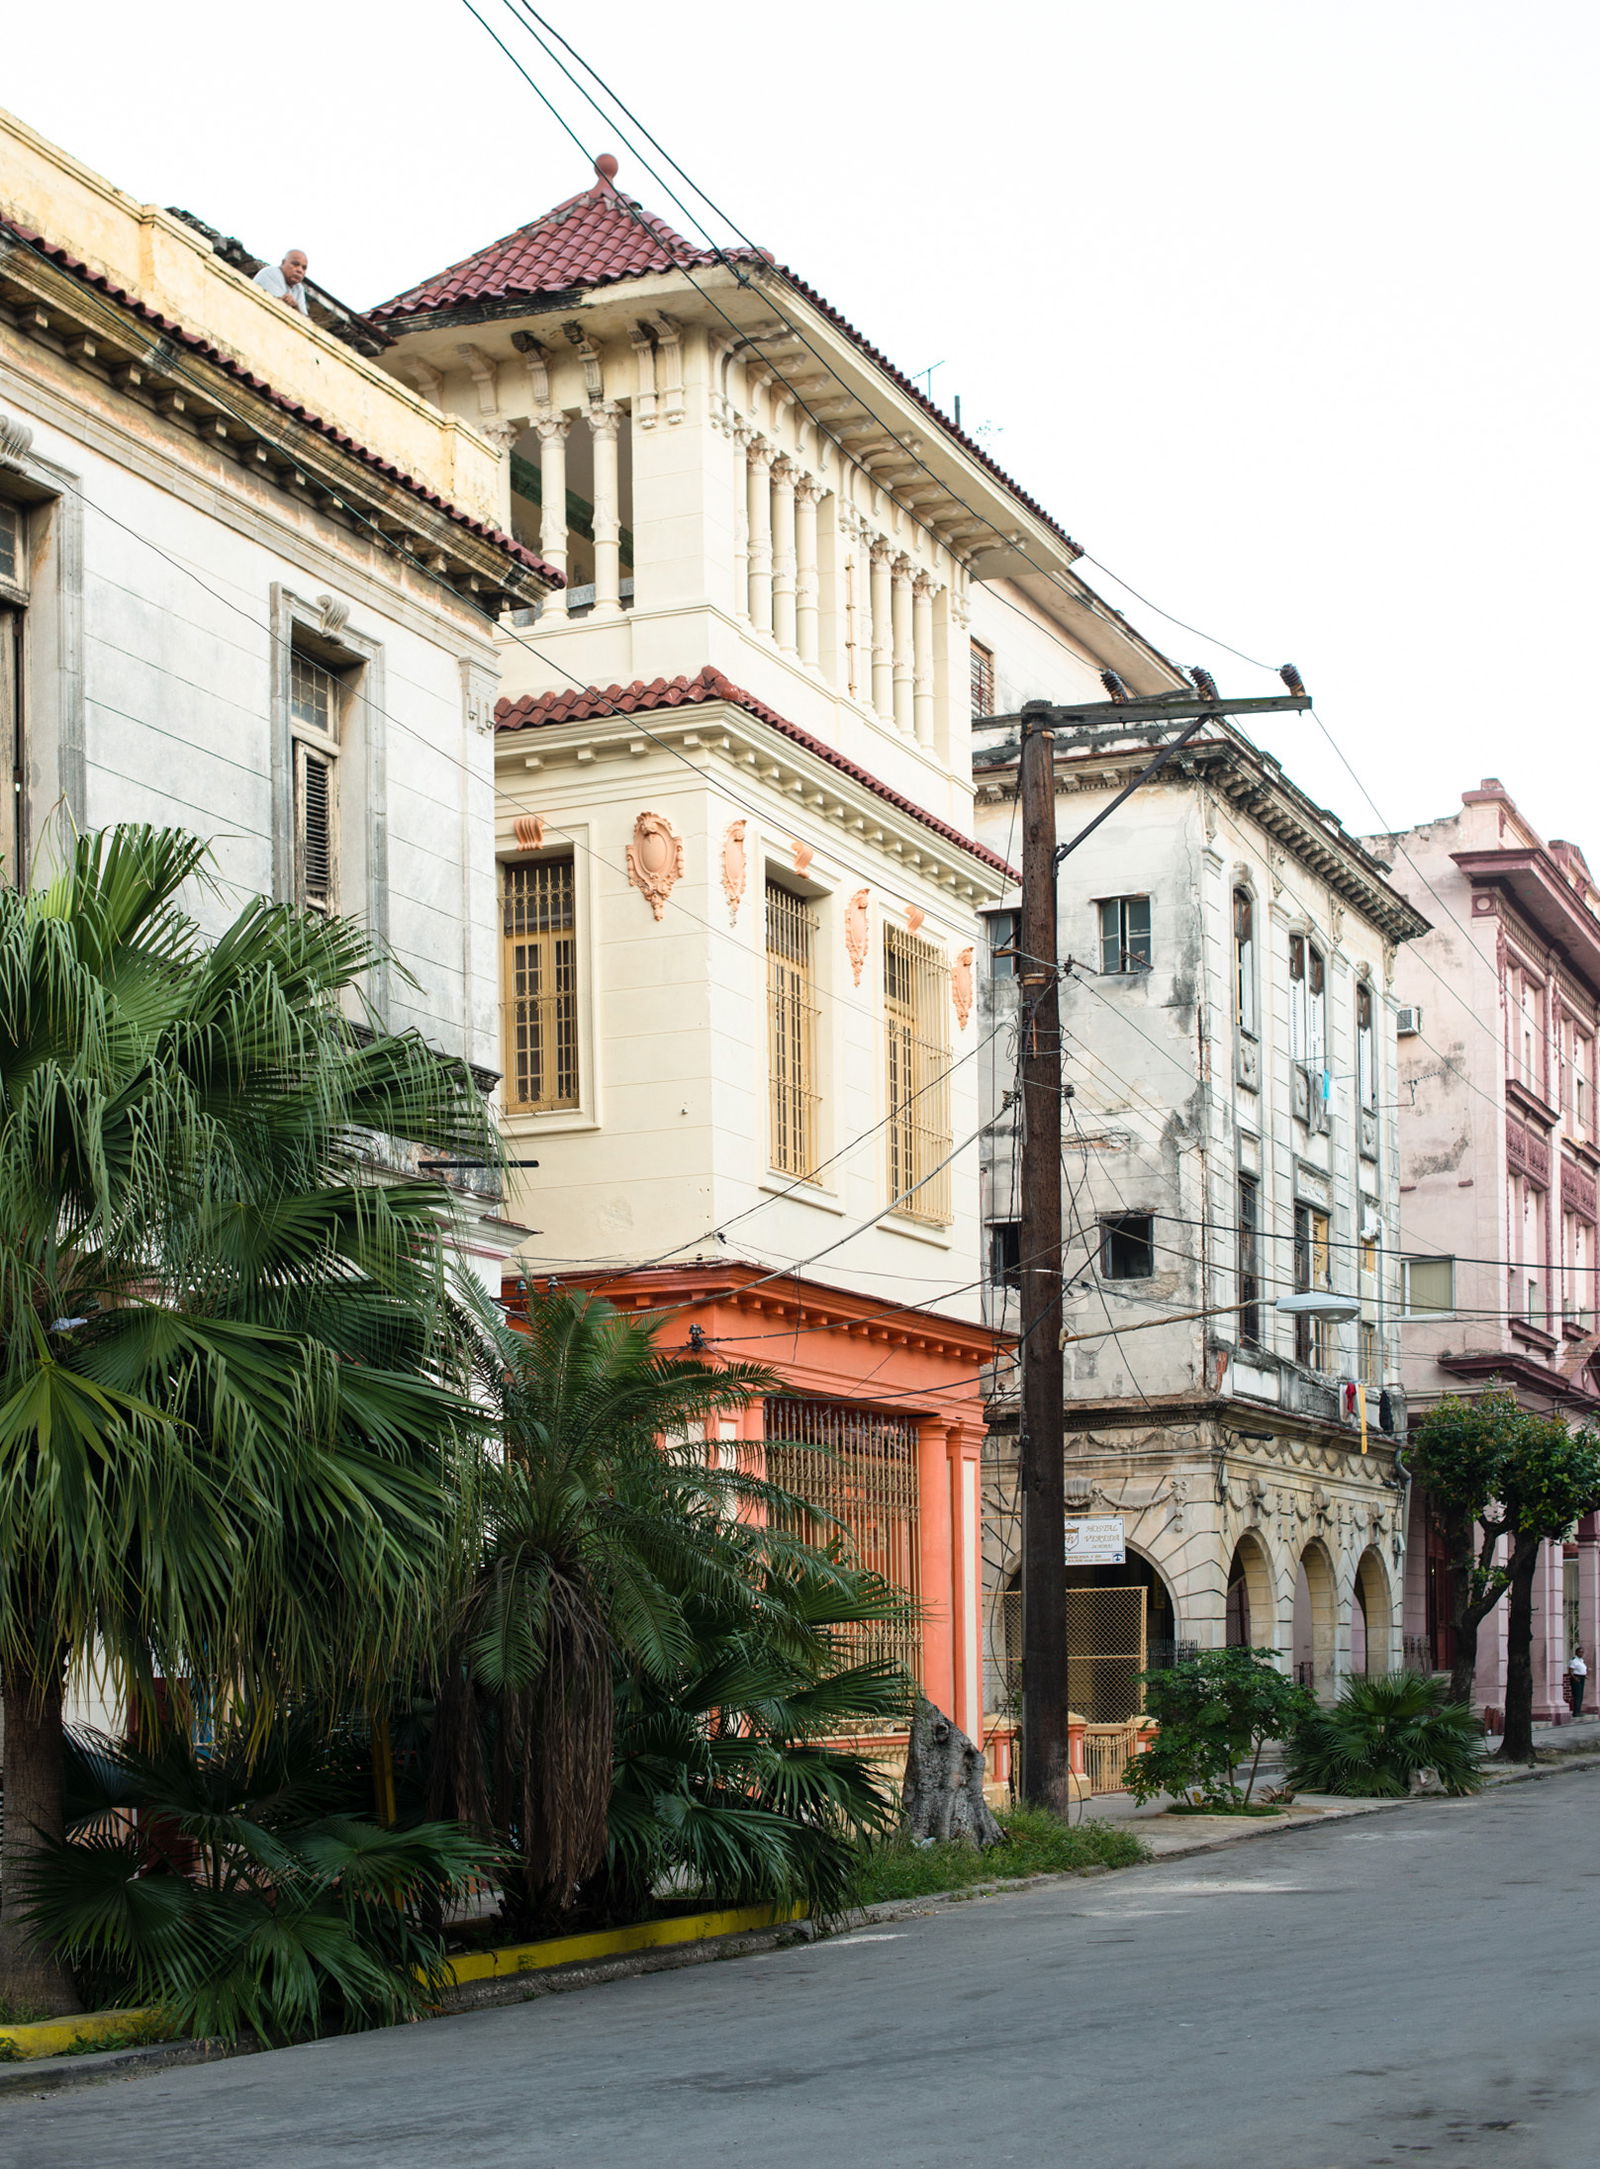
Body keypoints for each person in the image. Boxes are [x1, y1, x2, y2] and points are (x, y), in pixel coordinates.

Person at [253, 250, 309, 315]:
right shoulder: (272, 272)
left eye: (304, 268)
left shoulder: (299, 288)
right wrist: (293, 306)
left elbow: (304, 318)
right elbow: (278, 306)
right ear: (283, 263)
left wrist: (296, 306)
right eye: (295, 264)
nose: (300, 270)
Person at [1569, 1647, 1588, 1719]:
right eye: (1580, 1652)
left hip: (1581, 1678)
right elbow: (1570, 1671)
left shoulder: (1581, 1660)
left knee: (1580, 1695)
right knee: (1577, 1695)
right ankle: (1575, 1712)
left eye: (1582, 1652)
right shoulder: (1574, 1660)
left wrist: (1584, 1675)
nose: (1581, 1653)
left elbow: (1581, 1669)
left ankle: (1578, 1711)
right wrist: (1575, 1678)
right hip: (1576, 1678)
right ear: (1576, 1653)